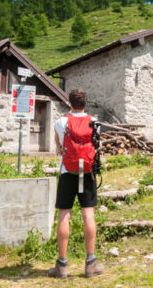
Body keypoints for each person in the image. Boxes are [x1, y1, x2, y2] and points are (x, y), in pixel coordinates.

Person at [47, 88, 105, 278]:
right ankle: (90, 263)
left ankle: (62, 266)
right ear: (85, 103)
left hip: (67, 171)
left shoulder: (60, 122)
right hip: (86, 172)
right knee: (88, 214)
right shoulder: (94, 122)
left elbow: (59, 147)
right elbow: (98, 146)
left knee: (65, 215)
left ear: (69, 103)